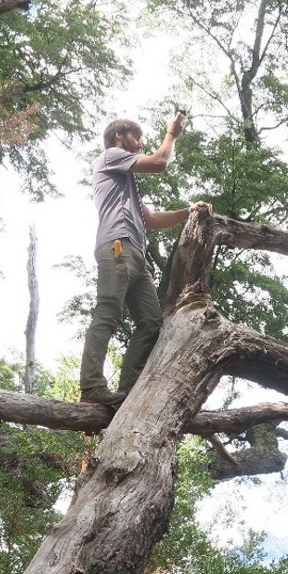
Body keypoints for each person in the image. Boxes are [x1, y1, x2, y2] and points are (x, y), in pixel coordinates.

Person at [79, 111, 201, 406]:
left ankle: (128, 391)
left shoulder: (126, 184)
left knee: (151, 322)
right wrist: (171, 134)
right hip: (117, 245)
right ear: (118, 136)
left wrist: (190, 212)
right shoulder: (110, 156)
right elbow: (160, 162)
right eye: (136, 137)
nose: (139, 144)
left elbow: (154, 221)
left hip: (136, 252)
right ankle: (92, 388)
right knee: (108, 311)